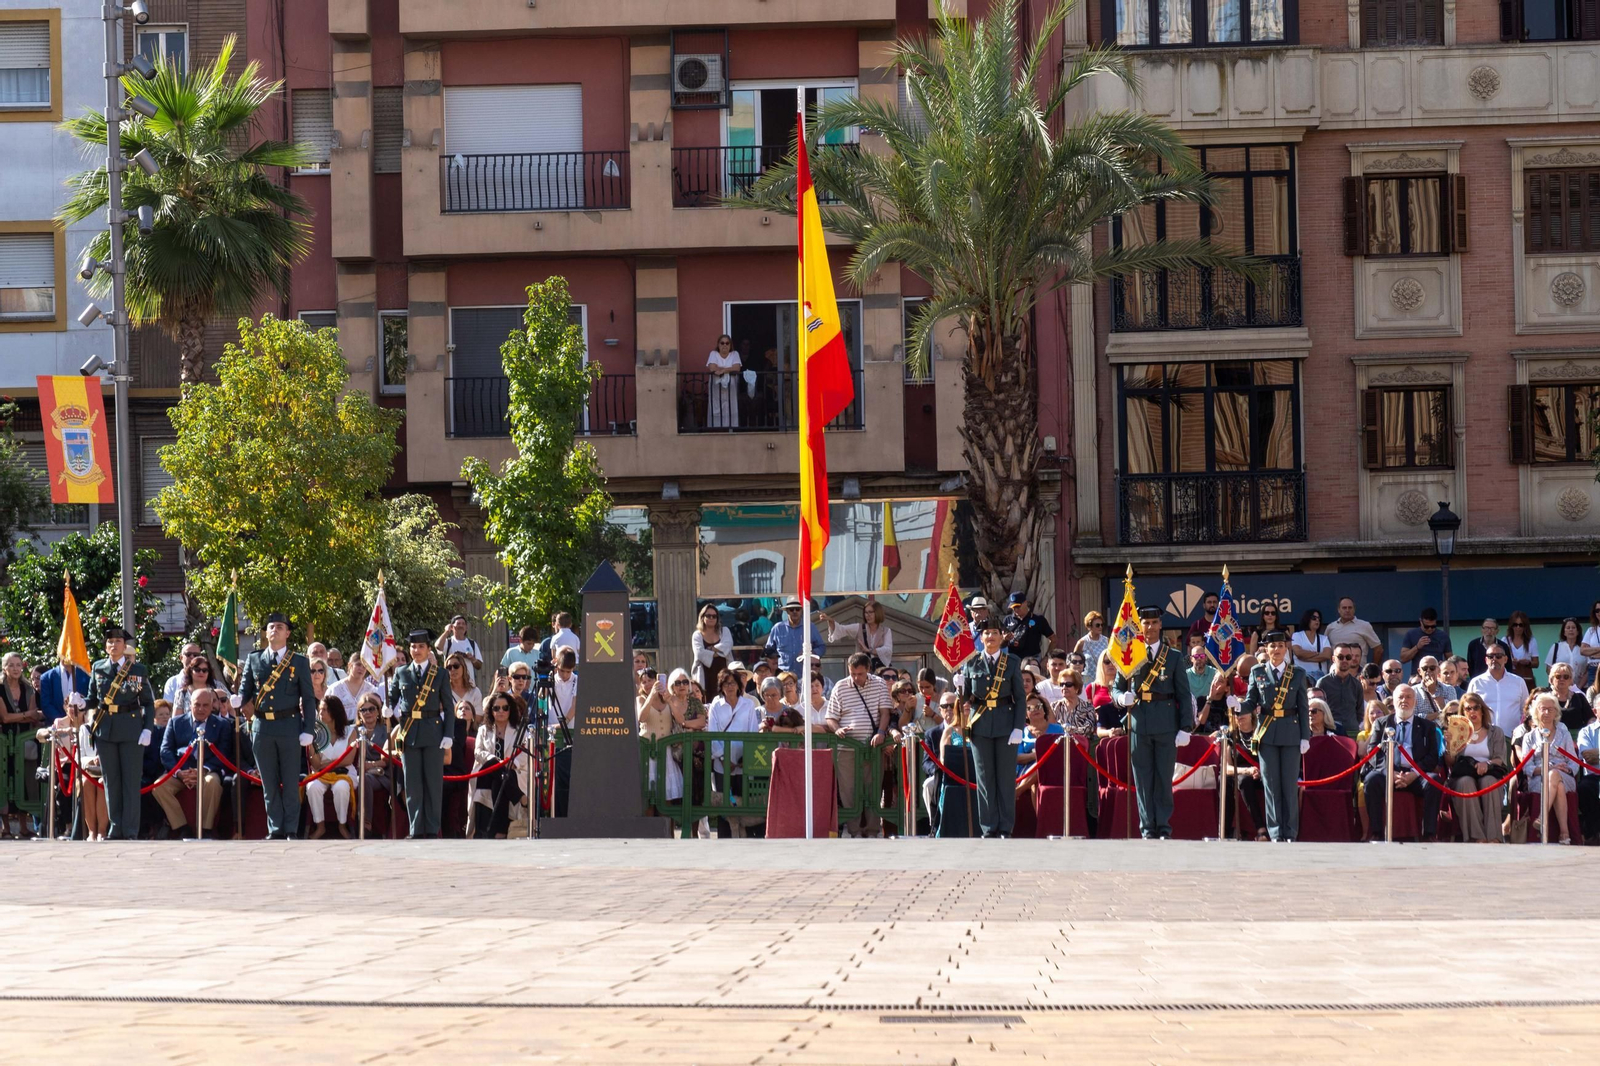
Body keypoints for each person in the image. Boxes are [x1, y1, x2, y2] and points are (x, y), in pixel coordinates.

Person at [1110, 607, 1195, 840]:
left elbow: (1183, 694)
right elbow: (1115, 687)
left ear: (1160, 625)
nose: (1150, 627)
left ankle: (1164, 827)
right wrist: (1120, 698)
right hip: (1139, 722)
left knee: (1163, 779)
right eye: (1145, 623)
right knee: (1143, 779)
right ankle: (1147, 828)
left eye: (1154, 622)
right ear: (1140, 627)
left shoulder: (1174, 656)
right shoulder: (1130, 653)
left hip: (1166, 723)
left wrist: (1185, 727)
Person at [234, 613, 317, 840]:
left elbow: (308, 698)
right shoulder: (254, 659)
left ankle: (291, 829)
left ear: (287, 633)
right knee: (269, 783)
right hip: (262, 727)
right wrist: (238, 699)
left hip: (289, 725)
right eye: (271, 627)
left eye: (280, 627)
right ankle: (275, 829)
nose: (275, 631)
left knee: (290, 782)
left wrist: (308, 728)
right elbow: (246, 687)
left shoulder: (299, 661)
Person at [953, 621, 1026, 838]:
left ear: (1002, 637)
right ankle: (988, 827)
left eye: (995, 633)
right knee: (985, 780)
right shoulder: (972, 662)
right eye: (987, 633)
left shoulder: (1011, 662)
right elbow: (967, 697)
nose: (991, 637)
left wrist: (1018, 728)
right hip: (980, 726)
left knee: (1005, 779)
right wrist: (959, 686)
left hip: (1006, 725)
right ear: (981, 638)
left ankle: (1005, 827)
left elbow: (1020, 698)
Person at [85, 627, 156, 841]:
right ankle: (115, 828)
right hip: (106, 729)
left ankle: (131, 829)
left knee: (130, 782)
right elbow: (92, 698)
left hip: (131, 728)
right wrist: (80, 703)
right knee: (111, 781)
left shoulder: (138, 670)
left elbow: (148, 702)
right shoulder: (98, 668)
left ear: (124, 646)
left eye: (118, 641)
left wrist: (147, 728)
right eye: (110, 642)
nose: (113, 645)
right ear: (106, 646)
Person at [1241, 631, 1311, 842]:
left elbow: (1302, 706)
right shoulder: (1257, 671)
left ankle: (1290, 832)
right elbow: (1251, 701)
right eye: (1273, 646)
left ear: (1286, 648)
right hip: (1267, 734)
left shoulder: (1297, 673)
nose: (1277, 650)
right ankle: (1275, 832)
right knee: (1271, 786)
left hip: (1291, 733)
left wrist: (1305, 736)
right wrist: (1238, 706)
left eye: (1281, 645)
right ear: (1266, 649)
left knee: (1289, 786)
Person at [387, 630, 453, 839]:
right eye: (413, 647)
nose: (416, 651)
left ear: (428, 649)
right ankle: (416, 829)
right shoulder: (401, 672)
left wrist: (448, 733)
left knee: (433, 784)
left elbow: (449, 707)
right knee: (412, 785)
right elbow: (393, 695)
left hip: (433, 732)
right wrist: (387, 707)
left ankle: (432, 829)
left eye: (421, 647)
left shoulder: (440, 673)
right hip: (409, 733)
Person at [824, 652, 897, 837]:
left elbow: (885, 713)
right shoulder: (840, 687)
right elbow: (831, 718)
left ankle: (872, 830)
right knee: (848, 791)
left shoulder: (879, 684)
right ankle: (854, 830)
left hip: (872, 748)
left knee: (873, 788)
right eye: (853, 673)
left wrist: (881, 732)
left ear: (868, 670)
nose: (856, 678)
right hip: (847, 748)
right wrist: (837, 729)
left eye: (860, 674)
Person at [1363, 685, 1443, 841]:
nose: (1404, 701)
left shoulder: (1427, 726)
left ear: (1415, 701)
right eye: (1400, 697)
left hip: (1415, 773)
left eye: (1408, 697)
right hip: (1388, 773)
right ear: (1393, 700)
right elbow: (1373, 753)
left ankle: (1429, 834)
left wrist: (1414, 773)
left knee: (1433, 781)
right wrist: (1390, 773)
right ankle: (1377, 832)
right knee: (1371, 780)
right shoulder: (1381, 723)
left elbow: (1432, 756)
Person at [151, 687, 232, 840]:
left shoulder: (222, 725)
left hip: (207, 770)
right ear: (190, 705)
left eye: (205, 705)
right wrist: (180, 772)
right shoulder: (176, 722)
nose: (200, 709)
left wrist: (204, 770)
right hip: (181, 770)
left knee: (212, 783)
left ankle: (206, 829)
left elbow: (223, 753)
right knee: (159, 786)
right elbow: (165, 751)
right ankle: (182, 827)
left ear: (212, 705)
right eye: (197, 705)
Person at [707, 668, 761, 837]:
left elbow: (752, 731)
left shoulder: (748, 705)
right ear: (721, 686)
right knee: (725, 802)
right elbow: (712, 734)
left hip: (743, 762)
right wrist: (723, 758)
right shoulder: (716, 705)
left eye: (732, 683)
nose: (729, 686)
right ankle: (725, 837)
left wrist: (747, 757)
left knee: (744, 798)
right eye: (725, 683)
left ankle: (748, 836)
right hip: (722, 763)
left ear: (739, 685)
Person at [1519, 692, 1579, 844]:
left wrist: (1565, 770)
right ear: (1536, 711)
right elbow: (1527, 767)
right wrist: (1548, 768)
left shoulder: (1563, 734)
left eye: (1550, 709)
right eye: (1542, 709)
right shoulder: (1529, 737)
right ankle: (1564, 833)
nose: (1546, 713)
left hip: (1565, 776)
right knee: (1555, 781)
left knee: (1555, 776)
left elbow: (1574, 763)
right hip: (1538, 778)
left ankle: (1541, 816)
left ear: (1556, 712)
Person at [1448, 692, 1508, 843]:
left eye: (1476, 708)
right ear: (1463, 712)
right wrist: (1449, 746)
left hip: (1489, 771)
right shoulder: (1456, 732)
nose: (1472, 712)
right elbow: (1451, 762)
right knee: (1465, 783)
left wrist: (1486, 764)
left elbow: (1500, 759)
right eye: (1468, 709)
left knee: (1489, 782)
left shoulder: (1495, 732)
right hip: (1464, 774)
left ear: (1482, 710)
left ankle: (1494, 836)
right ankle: (1476, 836)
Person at [473, 692, 530, 838]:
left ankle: (499, 832)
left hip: (512, 772)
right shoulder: (483, 729)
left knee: (501, 781)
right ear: (490, 711)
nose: (501, 711)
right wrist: (496, 761)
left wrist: (514, 763)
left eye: (505, 708)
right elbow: (478, 752)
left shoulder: (520, 730)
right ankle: (521, 798)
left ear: (510, 710)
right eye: (496, 708)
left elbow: (525, 753)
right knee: (496, 766)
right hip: (486, 772)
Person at [0, 651, 45, 838]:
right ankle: (6, 828)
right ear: (4, 668)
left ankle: (24, 827)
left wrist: (29, 716)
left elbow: (35, 715)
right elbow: (4, 717)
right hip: (4, 742)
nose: (16, 669)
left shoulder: (28, 689)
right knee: (4, 781)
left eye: (18, 665)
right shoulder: (0, 689)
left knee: (24, 781)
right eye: (11, 665)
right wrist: (27, 715)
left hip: (25, 741)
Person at [305, 696, 356, 839]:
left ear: (335, 712)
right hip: (322, 774)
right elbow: (316, 765)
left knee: (341, 787)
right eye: (320, 710)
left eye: (325, 710)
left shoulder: (350, 731)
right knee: (312, 787)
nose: (321, 713)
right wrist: (311, 746)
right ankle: (320, 827)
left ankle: (342, 826)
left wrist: (329, 763)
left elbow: (348, 759)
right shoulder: (316, 734)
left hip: (344, 774)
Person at [1221, 704, 1267, 840]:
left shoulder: (1260, 733)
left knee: (1244, 781)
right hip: (1241, 774)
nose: (1239, 716)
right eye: (1235, 713)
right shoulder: (1230, 736)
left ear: (1251, 714)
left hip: (1260, 775)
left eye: (1242, 712)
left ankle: (1261, 829)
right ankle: (1226, 830)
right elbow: (1226, 767)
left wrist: (1259, 771)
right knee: (1225, 781)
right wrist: (1246, 770)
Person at [1466, 644, 1530, 738]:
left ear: (1505, 659)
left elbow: (1525, 710)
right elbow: (1468, 711)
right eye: (1490, 656)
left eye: (1498, 656)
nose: (1494, 659)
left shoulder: (1519, 682)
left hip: (1512, 737)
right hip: (1484, 738)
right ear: (1486, 660)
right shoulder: (1476, 683)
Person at [350, 694, 391, 834]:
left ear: (378, 712)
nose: (367, 713)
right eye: (363, 710)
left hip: (381, 775)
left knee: (364, 779)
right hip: (356, 771)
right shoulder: (353, 731)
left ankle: (365, 822)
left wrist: (369, 765)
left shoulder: (386, 731)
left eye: (371, 709)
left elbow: (387, 759)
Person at [819, 601, 894, 669]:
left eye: (870, 612)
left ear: (877, 613)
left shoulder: (886, 631)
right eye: (866, 612)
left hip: (879, 669)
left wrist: (869, 650)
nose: (868, 615)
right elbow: (841, 629)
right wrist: (830, 620)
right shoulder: (859, 627)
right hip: (862, 668)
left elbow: (888, 650)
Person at [1315, 644, 1365, 738]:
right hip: (1331, 732)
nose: (1345, 660)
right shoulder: (1323, 683)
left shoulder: (1357, 684)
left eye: (1348, 657)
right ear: (1333, 659)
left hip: (1352, 732)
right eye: (1340, 657)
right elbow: (1317, 708)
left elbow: (1360, 712)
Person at [764, 600, 824, 673]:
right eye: (791, 609)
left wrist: (811, 653)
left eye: (797, 609)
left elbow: (822, 647)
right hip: (783, 675)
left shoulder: (810, 627)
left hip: (805, 675)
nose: (795, 611)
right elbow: (768, 650)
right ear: (787, 611)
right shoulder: (778, 628)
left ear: (801, 610)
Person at [1325, 597, 1382, 665]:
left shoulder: (1364, 626)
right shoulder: (1330, 627)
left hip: (1358, 673)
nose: (1347, 610)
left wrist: (1372, 669)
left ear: (1354, 610)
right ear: (1338, 610)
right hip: (1337, 673)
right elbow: (1324, 651)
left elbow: (1378, 649)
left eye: (1350, 608)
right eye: (1344, 608)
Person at [691, 604, 733, 696]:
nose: (711, 618)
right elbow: (700, 654)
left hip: (724, 672)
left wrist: (712, 648)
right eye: (708, 616)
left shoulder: (725, 631)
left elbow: (728, 646)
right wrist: (719, 651)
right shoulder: (697, 635)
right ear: (702, 617)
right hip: (705, 674)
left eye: (714, 616)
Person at [326, 654, 381, 722]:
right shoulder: (335, 689)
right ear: (350, 665)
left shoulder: (371, 690)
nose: (361, 668)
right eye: (358, 665)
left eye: (364, 666)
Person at [1575, 699, 1600, 843]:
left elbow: (1594, 755)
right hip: (1593, 777)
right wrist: (1593, 755)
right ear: (1595, 711)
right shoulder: (1586, 732)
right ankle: (1593, 832)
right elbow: (1588, 756)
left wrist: (1597, 754)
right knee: (1584, 789)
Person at [1001, 592, 1054, 660]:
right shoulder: (1007, 620)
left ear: (1025, 603)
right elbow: (1000, 644)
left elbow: (1053, 639)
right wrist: (1004, 639)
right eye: (1013, 607)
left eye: (1018, 606)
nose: (1016, 609)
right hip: (1012, 660)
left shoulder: (1038, 619)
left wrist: (1046, 658)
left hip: (1033, 659)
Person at [705, 333, 742, 429]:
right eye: (722, 343)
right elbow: (712, 367)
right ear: (718, 345)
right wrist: (729, 369)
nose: (724, 345)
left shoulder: (735, 354)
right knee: (716, 407)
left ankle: (730, 430)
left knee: (730, 407)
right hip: (716, 388)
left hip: (731, 387)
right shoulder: (713, 354)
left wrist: (723, 370)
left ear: (730, 345)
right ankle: (716, 430)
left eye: (727, 343)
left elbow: (737, 367)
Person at [435, 615, 484, 683]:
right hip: (451, 684)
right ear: (452, 627)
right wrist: (446, 632)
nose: (461, 626)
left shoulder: (472, 643)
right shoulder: (448, 642)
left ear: (466, 628)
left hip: (469, 684)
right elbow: (438, 646)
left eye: (463, 624)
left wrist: (472, 658)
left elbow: (479, 666)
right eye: (458, 623)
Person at [1547, 618, 1589, 693]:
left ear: (1578, 631)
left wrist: (1578, 687)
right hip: (1559, 689)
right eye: (1568, 628)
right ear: (1564, 632)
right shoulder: (1556, 647)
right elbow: (1548, 668)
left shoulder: (1584, 649)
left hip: (1580, 688)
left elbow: (1588, 670)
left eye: (1573, 628)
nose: (1571, 630)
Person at [1504, 611, 1540, 686]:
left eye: (1521, 625)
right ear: (1511, 626)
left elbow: (1536, 663)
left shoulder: (1531, 641)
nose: (1518, 627)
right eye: (1515, 625)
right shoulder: (1505, 640)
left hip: (1525, 677)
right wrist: (1510, 662)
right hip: (1509, 676)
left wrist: (1528, 662)